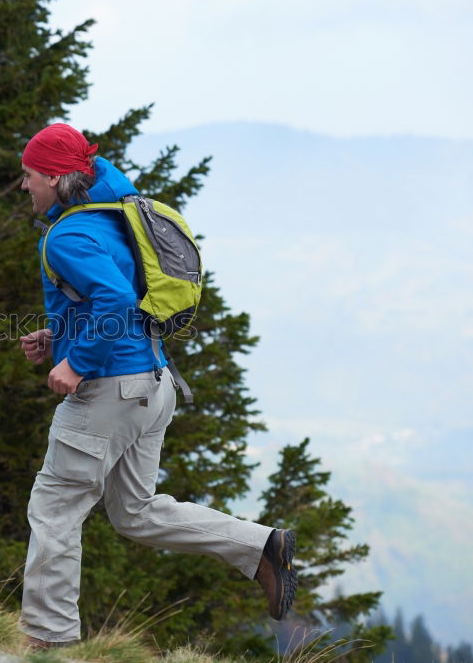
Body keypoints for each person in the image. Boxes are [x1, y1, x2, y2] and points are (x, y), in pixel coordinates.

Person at [17, 123, 298, 650]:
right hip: (152, 384)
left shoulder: (68, 236)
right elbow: (111, 299)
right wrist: (58, 337)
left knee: (55, 508)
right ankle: (261, 547)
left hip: (108, 392)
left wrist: (75, 363)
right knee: (136, 513)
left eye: (28, 175)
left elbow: (118, 302)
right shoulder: (109, 222)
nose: (23, 185)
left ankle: (48, 642)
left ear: (54, 178)